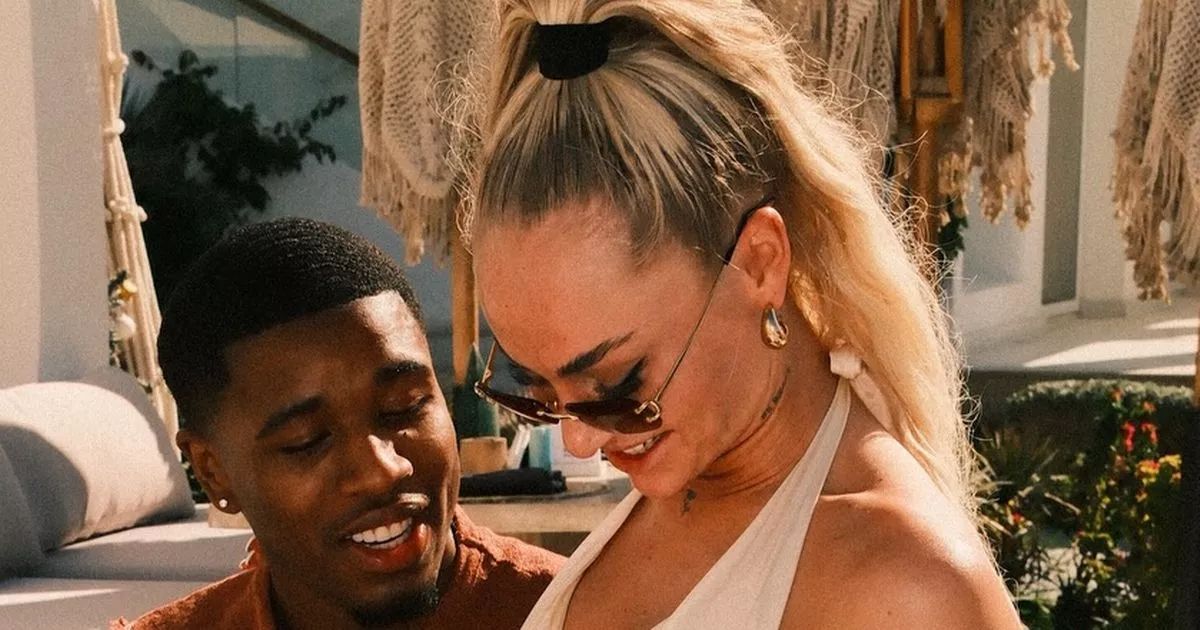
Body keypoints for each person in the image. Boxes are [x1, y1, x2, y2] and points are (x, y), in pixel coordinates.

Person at [466, 1, 1022, 628]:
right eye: (536, 392)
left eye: (620, 385)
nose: (579, 440)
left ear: (759, 263)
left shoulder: (904, 590)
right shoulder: (686, 480)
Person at [115, 218, 562, 629]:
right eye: (306, 441)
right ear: (213, 472)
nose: (382, 471)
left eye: (405, 407)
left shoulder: (571, 615)